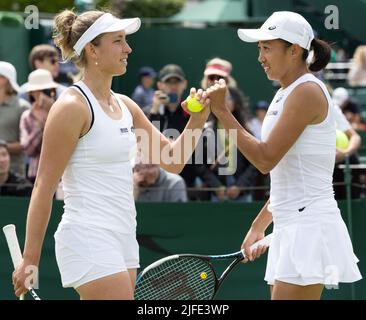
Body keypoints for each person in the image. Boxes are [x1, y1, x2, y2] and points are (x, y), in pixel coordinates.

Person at [12, 9, 210, 300]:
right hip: (87, 235)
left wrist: (198, 120)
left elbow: (173, 161)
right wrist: (30, 260)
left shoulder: (126, 105)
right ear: (92, 49)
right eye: (118, 41)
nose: (128, 48)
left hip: (124, 236)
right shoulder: (71, 107)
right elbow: (43, 186)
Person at [206, 11, 362, 300]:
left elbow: (265, 160)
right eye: (259, 48)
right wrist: (258, 226)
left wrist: (222, 112)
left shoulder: (307, 92)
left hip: (310, 227)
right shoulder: (285, 92)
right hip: (290, 224)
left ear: (293, 51)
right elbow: (286, 176)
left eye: (267, 48)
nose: (260, 57)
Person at [19, 69, 58, 183]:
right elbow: (29, 150)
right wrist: (39, 125)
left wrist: (51, 113)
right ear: (31, 93)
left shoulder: (62, 111)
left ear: (52, 91)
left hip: (62, 173)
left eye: (44, 90)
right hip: (36, 175)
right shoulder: (27, 116)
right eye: (37, 91)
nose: (41, 95)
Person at [0, 61, 30, 177]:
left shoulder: (22, 107)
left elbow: (25, 145)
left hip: (13, 176)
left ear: (4, 79)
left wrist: (2, 148)